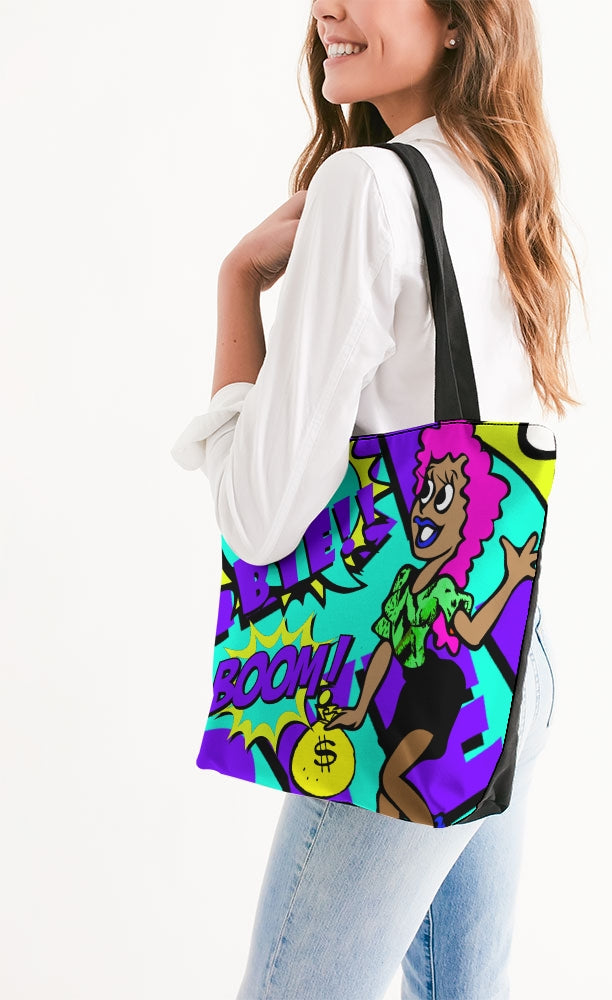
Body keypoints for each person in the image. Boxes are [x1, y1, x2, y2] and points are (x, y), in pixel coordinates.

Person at [171, 1, 582, 997]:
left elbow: (259, 518)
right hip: (506, 671)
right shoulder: (502, 184)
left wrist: (236, 287)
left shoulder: (365, 185)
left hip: (404, 694)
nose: (328, 8)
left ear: (459, 20)